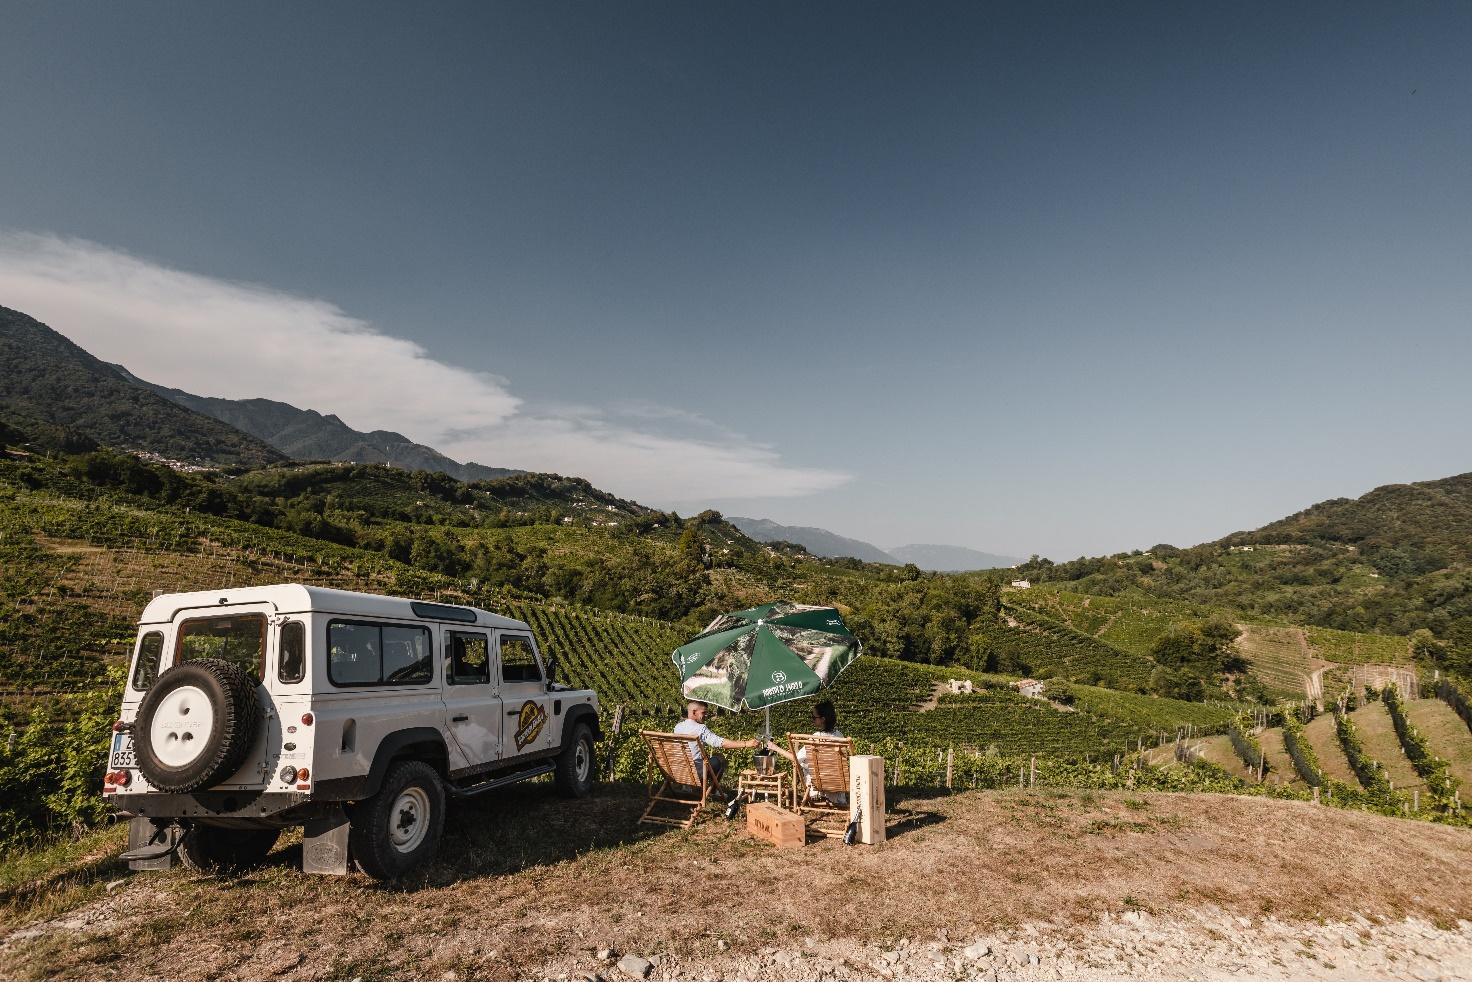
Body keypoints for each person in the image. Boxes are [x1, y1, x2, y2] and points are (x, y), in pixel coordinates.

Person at [766, 700, 848, 807]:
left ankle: (816, 796)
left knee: (803, 764)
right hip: (837, 785)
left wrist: (775, 747)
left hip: (819, 786)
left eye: (814, 718)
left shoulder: (815, 738)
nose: (812, 720)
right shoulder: (840, 736)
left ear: (823, 719)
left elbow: (795, 758)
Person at [674, 700, 758, 791]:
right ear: (694, 712)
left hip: (678, 769)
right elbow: (721, 743)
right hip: (695, 771)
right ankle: (713, 790)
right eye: (703, 712)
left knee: (708, 757)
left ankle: (687, 786)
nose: (706, 715)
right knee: (720, 758)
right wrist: (746, 743)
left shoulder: (678, 727)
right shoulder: (700, 729)